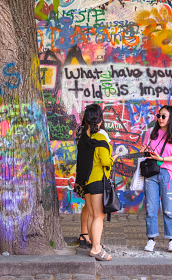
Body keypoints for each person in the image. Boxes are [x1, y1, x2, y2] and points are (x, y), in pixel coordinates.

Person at [74, 104, 118, 261]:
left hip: (86, 181)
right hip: (98, 180)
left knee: (92, 214)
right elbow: (105, 161)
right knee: (99, 215)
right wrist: (114, 158)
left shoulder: (84, 136)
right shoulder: (100, 137)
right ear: (100, 119)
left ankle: (94, 243)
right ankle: (96, 248)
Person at [140, 105, 172, 253]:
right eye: (159, 115)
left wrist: (162, 158)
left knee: (169, 209)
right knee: (151, 208)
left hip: (168, 174)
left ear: (171, 118)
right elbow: (146, 149)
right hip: (151, 173)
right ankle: (151, 239)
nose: (160, 119)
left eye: (163, 116)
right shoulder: (151, 133)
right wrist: (144, 151)